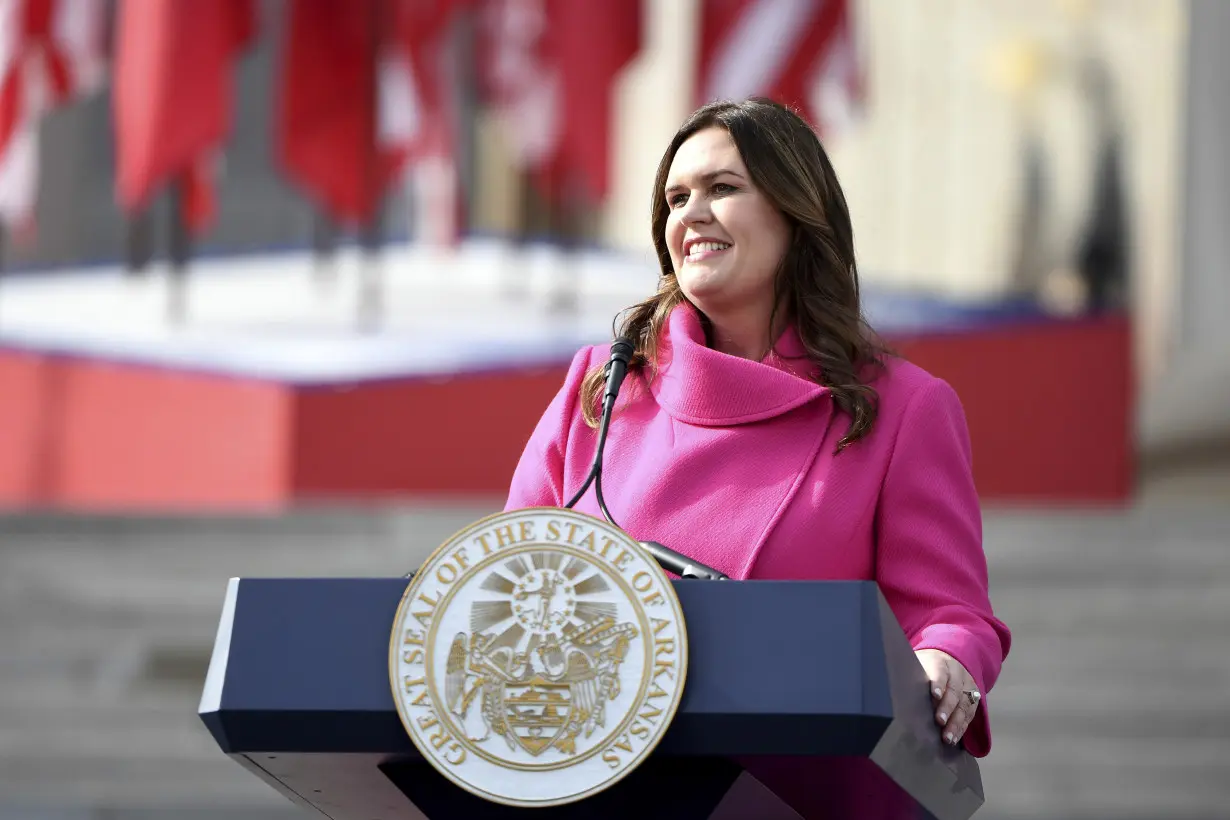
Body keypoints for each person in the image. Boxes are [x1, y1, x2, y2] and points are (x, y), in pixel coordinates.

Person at [504, 97, 1011, 765]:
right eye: (676, 198)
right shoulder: (601, 386)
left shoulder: (902, 409)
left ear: (796, 214)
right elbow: (507, 579)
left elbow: (947, 611)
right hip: (597, 775)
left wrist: (945, 659)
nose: (691, 213)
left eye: (722, 189)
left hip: (794, 780)